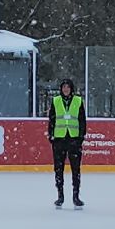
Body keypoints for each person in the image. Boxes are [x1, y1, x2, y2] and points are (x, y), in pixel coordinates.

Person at [47, 78, 86, 209]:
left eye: (68, 87)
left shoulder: (78, 101)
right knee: (59, 169)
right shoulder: (56, 101)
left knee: (76, 169)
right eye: (63, 87)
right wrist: (51, 135)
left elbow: (82, 120)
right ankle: (60, 196)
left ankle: (76, 196)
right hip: (59, 139)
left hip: (74, 140)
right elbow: (51, 119)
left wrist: (81, 137)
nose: (65, 89)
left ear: (71, 89)